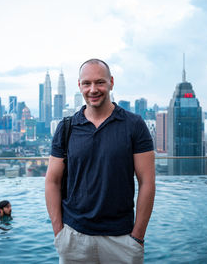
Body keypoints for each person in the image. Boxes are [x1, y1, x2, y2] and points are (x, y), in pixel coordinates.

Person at [45, 59, 155, 263]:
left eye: (100, 82)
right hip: (74, 237)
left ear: (111, 82)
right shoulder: (66, 128)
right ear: (79, 86)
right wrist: (59, 232)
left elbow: (147, 182)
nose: (93, 89)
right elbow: (52, 181)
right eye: (87, 83)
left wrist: (137, 237)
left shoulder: (134, 125)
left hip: (122, 239)